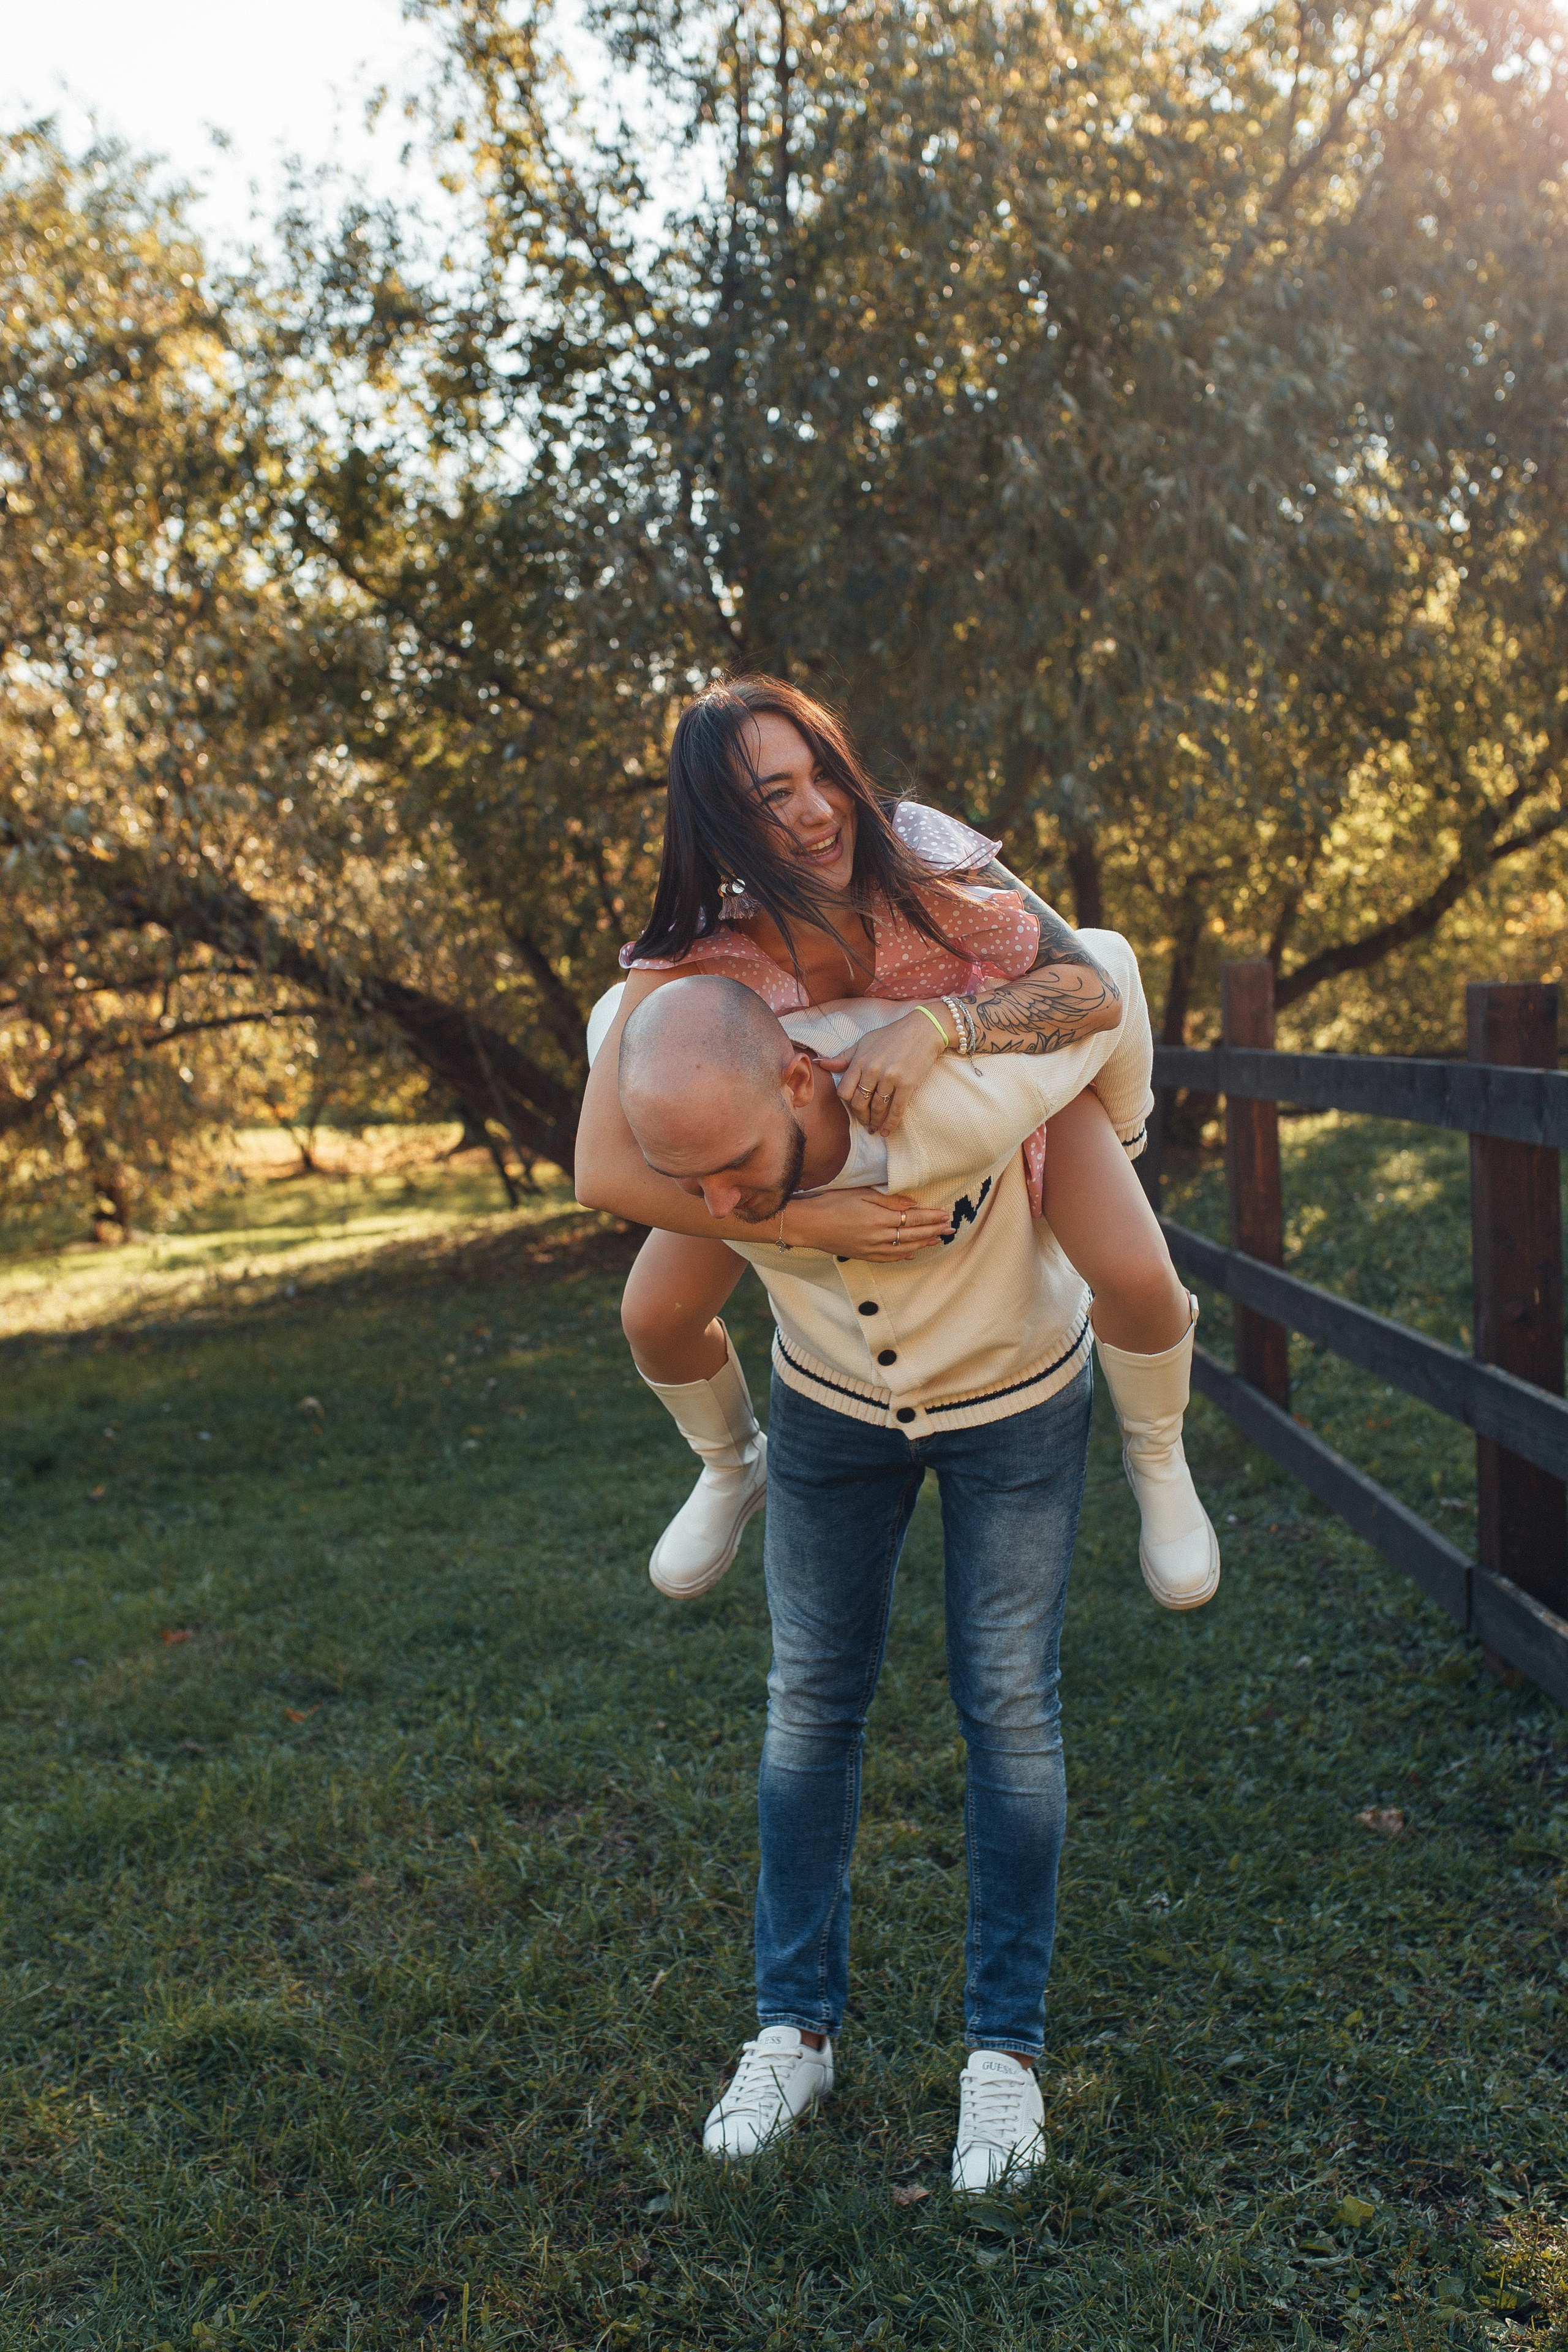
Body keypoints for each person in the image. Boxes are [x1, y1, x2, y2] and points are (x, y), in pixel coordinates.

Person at [604, 959, 1188, 2189]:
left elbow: (1101, 977)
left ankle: (1003, 2058)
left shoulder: (969, 1093)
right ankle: (792, 2029)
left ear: (802, 1077)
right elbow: (628, 1135)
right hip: (826, 1413)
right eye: (689, 1180)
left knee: (1010, 1713)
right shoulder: (696, 1104)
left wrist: (973, 1040)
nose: (712, 1200)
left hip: (1015, 1400)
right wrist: (781, 1216)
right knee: (806, 1709)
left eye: (730, 1168)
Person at [576, 676, 1218, 1613]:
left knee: (1137, 1273)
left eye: (822, 774)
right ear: (723, 828)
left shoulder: (919, 848)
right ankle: (731, 1461)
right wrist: (804, 1222)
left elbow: (1091, 987)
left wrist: (939, 1027)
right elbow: (601, 1170)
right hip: (798, 1142)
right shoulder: (698, 944)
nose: (820, 811)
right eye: (775, 798)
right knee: (655, 1317)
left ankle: (1158, 1454)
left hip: (993, 1072)